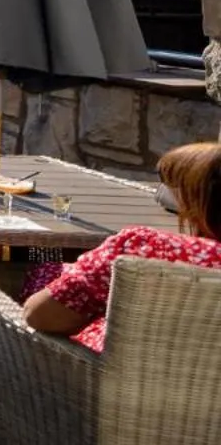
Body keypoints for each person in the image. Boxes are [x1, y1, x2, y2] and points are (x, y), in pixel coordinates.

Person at [21, 141, 221, 352]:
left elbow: (38, 315)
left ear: (199, 201)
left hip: (102, 375)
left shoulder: (144, 247)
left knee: (48, 262)